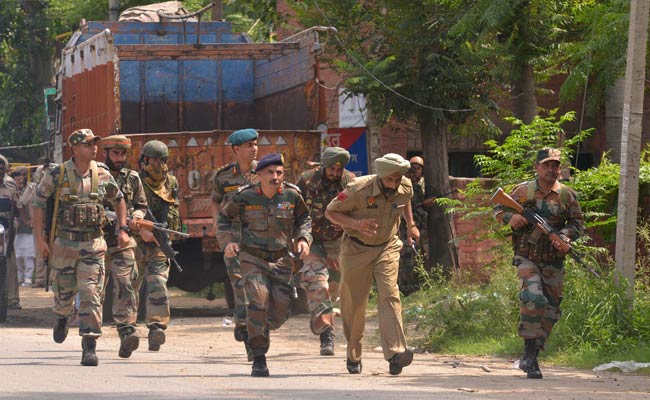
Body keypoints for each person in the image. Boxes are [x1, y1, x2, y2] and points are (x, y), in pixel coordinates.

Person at [32, 129, 130, 366]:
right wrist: (39, 240)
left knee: (90, 293)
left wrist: (123, 229)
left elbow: (119, 200)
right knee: (64, 293)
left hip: (93, 244)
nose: (94, 148)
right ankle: (62, 317)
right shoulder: (58, 174)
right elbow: (38, 203)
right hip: (64, 245)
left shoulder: (103, 174)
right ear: (75, 148)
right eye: (88, 145)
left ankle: (89, 345)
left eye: (95, 144)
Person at [492, 148, 585, 379]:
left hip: (553, 261)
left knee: (551, 311)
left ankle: (532, 356)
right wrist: (510, 218)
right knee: (533, 297)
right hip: (527, 257)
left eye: (556, 165)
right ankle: (528, 352)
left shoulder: (566, 195)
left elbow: (577, 224)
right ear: (537, 167)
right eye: (547, 165)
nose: (552, 169)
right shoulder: (523, 191)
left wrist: (564, 236)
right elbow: (498, 208)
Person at [217, 153, 312, 377]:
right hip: (253, 259)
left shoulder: (292, 195)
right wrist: (228, 242)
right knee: (258, 302)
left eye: (279, 173)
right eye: (270, 172)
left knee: (279, 313)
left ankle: (255, 328)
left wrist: (303, 239)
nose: (275, 177)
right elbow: (223, 219)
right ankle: (259, 357)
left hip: (281, 260)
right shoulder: (245, 197)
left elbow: (304, 220)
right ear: (259, 174)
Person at [325, 153, 419, 376]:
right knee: (354, 303)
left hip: (387, 245)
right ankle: (353, 353)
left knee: (390, 294)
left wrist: (411, 224)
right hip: (356, 248)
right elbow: (331, 212)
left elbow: (404, 201)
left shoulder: (404, 186)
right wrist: (357, 224)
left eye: (397, 180)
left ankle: (396, 353)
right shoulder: (358, 189)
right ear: (381, 176)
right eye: (390, 181)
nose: (394, 185)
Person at [296, 146, 355, 356]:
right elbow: (295, 210)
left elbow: (358, 209)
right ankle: (326, 335)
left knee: (334, 287)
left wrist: (349, 223)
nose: (335, 173)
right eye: (332, 169)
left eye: (339, 170)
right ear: (324, 165)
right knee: (317, 282)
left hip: (337, 243)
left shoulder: (350, 181)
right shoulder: (306, 180)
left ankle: (321, 315)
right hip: (312, 240)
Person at [210, 128, 258, 359]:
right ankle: (250, 338)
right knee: (241, 286)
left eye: (255, 144)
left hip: (262, 238)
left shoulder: (267, 172)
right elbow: (215, 202)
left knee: (264, 290)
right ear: (236, 149)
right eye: (249, 145)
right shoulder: (223, 176)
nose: (254, 148)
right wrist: (218, 227)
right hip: (234, 239)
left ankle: (242, 323)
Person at [101, 135, 150, 358]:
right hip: (97, 240)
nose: (119, 158)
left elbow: (141, 206)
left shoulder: (133, 178)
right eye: (115, 154)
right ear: (106, 153)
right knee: (96, 289)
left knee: (126, 282)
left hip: (123, 239)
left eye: (122, 154)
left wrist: (135, 217)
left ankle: (126, 331)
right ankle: (89, 336)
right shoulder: (96, 176)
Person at [133, 140, 181, 352]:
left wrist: (168, 232)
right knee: (130, 287)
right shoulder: (134, 181)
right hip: (135, 243)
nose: (158, 164)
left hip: (159, 244)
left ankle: (156, 327)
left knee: (158, 284)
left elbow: (173, 212)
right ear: (144, 160)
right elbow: (125, 212)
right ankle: (128, 328)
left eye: (162, 160)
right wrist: (140, 231)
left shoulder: (170, 182)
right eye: (153, 160)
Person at [398, 156, 428, 295]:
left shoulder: (421, 186)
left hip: (418, 228)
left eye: (418, 169)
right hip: (404, 228)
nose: (415, 172)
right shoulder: (404, 185)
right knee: (405, 256)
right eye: (412, 168)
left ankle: (416, 285)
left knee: (418, 256)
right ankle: (405, 288)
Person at [0, 154, 20, 310]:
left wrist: (14, 228)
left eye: (2, 166)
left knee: (10, 261)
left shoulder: (11, 184)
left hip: (6, 227)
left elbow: (17, 209)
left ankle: (12, 299)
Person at [13, 167, 35, 287]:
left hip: (29, 228)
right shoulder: (12, 189)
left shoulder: (31, 189)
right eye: (18, 178)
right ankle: (19, 277)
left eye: (22, 178)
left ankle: (28, 278)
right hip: (16, 229)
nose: (20, 181)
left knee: (29, 255)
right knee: (18, 256)